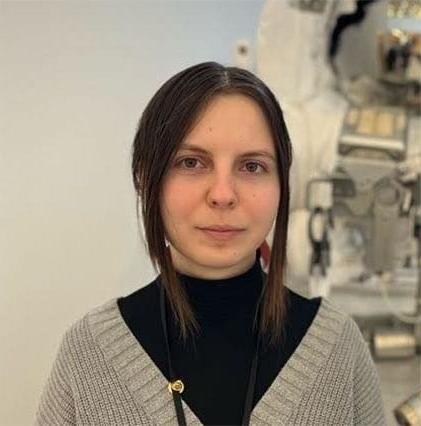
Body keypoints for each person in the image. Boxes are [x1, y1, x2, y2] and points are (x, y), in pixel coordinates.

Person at [35, 62, 386, 425]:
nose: (222, 194)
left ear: (282, 185)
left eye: (252, 166)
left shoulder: (339, 348)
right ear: (146, 177)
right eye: (191, 162)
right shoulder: (88, 354)